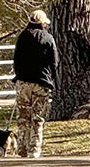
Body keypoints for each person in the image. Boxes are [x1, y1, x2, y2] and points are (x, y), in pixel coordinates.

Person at [11, 10, 59, 158]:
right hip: (41, 81)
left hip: (23, 81)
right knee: (37, 117)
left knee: (23, 115)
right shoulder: (48, 38)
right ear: (43, 23)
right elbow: (54, 62)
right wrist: (53, 79)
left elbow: (16, 60)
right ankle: (35, 148)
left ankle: (22, 147)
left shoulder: (23, 37)